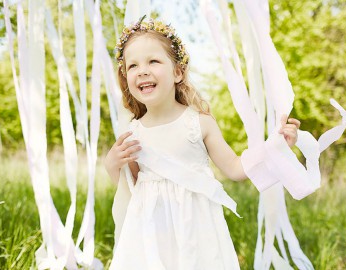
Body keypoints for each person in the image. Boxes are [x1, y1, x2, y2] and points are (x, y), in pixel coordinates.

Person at [104, 16, 300, 270]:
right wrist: (112, 165)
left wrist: (277, 146)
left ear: (177, 72)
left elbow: (235, 168)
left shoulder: (199, 123)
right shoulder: (133, 132)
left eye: (153, 61)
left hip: (196, 229)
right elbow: (129, 188)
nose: (142, 70)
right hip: (152, 234)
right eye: (133, 66)